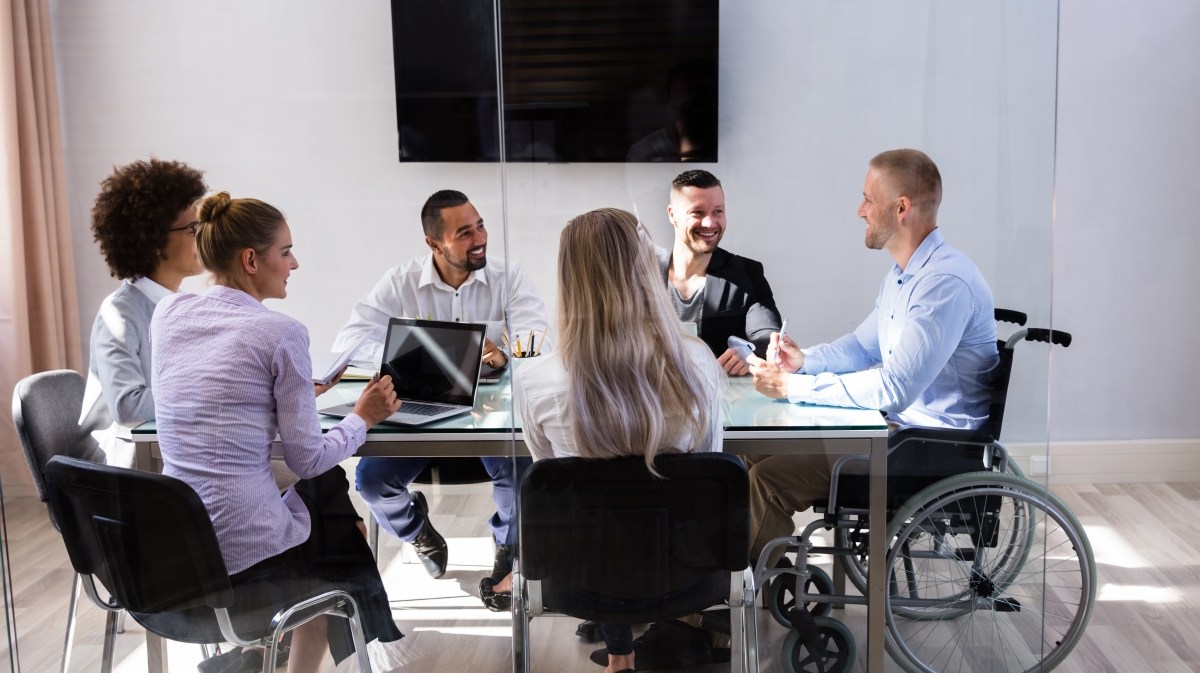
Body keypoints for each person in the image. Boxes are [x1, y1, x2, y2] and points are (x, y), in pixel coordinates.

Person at [151, 192, 414, 673]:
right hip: (241, 551)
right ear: (251, 260)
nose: (295, 262)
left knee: (329, 507)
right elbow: (308, 459)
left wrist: (280, 399)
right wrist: (364, 416)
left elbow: (212, 402)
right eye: (286, 251)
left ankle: (259, 655)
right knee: (335, 529)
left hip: (177, 545)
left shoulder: (169, 314)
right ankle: (288, 656)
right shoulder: (281, 333)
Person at [745, 148, 999, 559]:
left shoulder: (943, 284)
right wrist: (804, 360)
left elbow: (895, 388)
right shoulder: (904, 275)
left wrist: (794, 386)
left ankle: (733, 609)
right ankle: (750, 583)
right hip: (896, 434)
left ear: (901, 208)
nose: (859, 210)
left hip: (924, 450)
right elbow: (864, 346)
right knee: (751, 451)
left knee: (767, 480)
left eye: (868, 199)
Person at [500, 207, 724, 673]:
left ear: (569, 279)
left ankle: (620, 655)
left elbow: (550, 480)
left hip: (578, 576)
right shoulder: (697, 364)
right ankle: (625, 652)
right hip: (686, 573)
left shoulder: (535, 380)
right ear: (646, 271)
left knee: (597, 517)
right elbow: (710, 465)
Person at [331, 189, 550, 582]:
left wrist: (503, 355)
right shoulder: (401, 282)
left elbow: (538, 344)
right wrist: (423, 353)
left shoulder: (509, 277)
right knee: (371, 481)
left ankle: (507, 545)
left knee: (521, 472)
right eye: (464, 233)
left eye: (480, 225)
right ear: (434, 243)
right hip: (421, 414)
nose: (480, 238)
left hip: (491, 419)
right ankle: (418, 532)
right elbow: (348, 343)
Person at [80, 158, 207, 466]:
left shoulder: (183, 306)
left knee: (307, 478)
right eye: (193, 228)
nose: (204, 236)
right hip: (125, 470)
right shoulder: (118, 314)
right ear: (153, 240)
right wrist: (213, 397)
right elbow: (128, 406)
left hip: (169, 453)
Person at [658, 169, 782, 375]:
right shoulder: (640, 275)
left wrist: (750, 352)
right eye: (697, 212)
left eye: (718, 211)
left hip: (723, 399)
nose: (709, 223)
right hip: (652, 398)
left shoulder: (747, 273)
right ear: (672, 215)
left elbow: (766, 336)